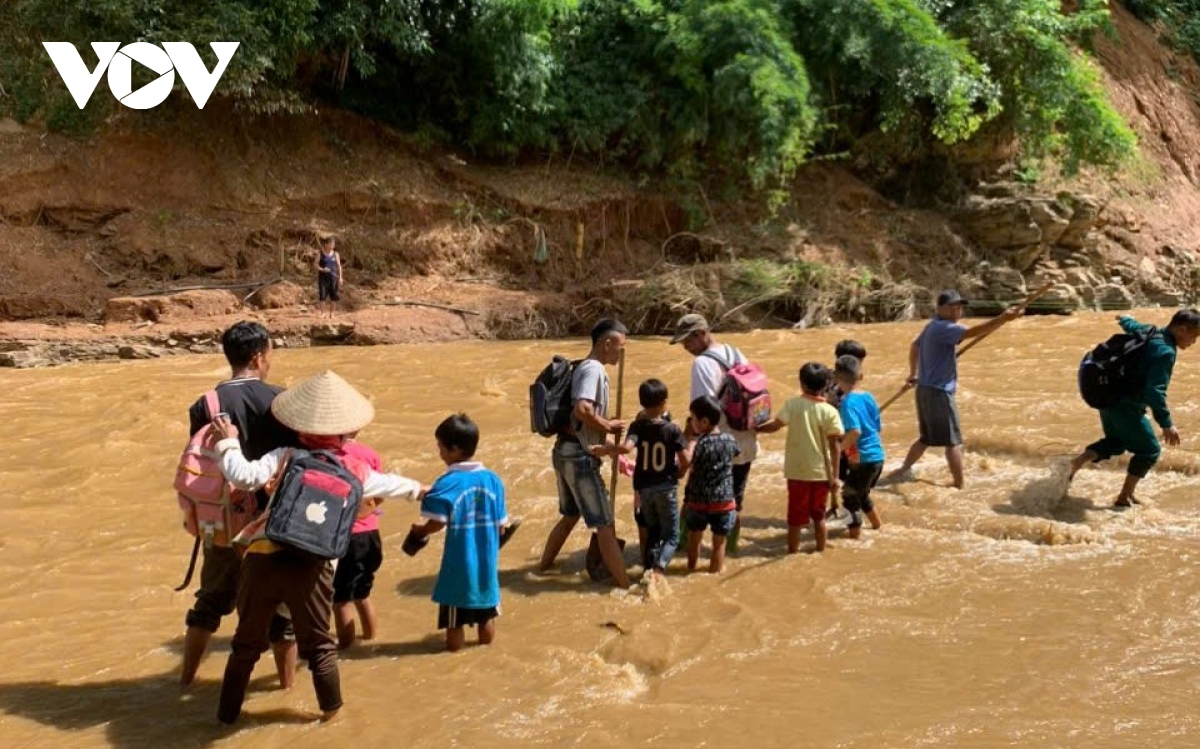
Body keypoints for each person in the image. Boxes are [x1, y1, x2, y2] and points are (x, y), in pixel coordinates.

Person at [210, 370, 424, 724]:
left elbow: (243, 475)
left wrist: (227, 440)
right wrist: (423, 489)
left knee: (245, 646)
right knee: (320, 648)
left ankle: (225, 717)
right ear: (348, 430)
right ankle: (331, 721)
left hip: (264, 557)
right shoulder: (354, 467)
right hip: (313, 567)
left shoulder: (285, 455)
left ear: (299, 425)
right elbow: (394, 484)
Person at [180, 321, 299, 688]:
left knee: (209, 604)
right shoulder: (281, 400)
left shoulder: (206, 404)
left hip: (222, 523)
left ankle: (185, 680)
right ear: (259, 356)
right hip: (270, 523)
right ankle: (286, 689)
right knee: (282, 613)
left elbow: (201, 462)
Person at [883, 290, 1023, 489]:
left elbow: (915, 347)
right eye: (952, 306)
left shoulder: (931, 326)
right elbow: (971, 332)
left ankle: (902, 471)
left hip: (924, 389)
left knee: (926, 438)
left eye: (959, 307)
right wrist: (1003, 319)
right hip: (939, 392)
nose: (957, 310)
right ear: (940, 309)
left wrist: (914, 373)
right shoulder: (944, 328)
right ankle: (959, 485)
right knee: (953, 442)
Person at [1069, 310, 1200, 507]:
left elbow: (1134, 326)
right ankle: (1124, 497)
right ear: (1182, 329)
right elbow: (1155, 391)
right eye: (1195, 336)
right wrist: (1166, 423)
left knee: (1117, 441)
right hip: (1125, 405)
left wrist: (1124, 319)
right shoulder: (1165, 352)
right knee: (1150, 450)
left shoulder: (1151, 330)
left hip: (1107, 394)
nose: (1194, 342)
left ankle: (1077, 463)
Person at [538, 319, 631, 588]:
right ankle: (624, 584)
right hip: (579, 455)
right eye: (620, 347)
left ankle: (543, 568)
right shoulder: (593, 369)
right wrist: (607, 425)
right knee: (604, 523)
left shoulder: (583, 366)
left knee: (570, 515)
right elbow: (582, 408)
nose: (621, 353)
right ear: (607, 343)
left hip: (564, 450)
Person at [409, 414, 510, 651]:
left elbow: (437, 523)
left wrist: (421, 530)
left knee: (454, 623)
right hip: (486, 563)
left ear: (453, 449)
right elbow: (502, 525)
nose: (439, 453)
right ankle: (486, 653)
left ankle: (454, 655)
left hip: (458, 567)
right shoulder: (493, 481)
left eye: (440, 447)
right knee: (486, 615)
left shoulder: (448, 482)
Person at [670, 314, 758, 551]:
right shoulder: (735, 352)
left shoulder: (702, 363)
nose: (686, 347)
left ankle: (681, 547)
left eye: (687, 341)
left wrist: (687, 441)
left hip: (714, 446)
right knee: (734, 501)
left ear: (701, 334)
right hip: (745, 440)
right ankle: (729, 550)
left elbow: (702, 412)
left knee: (694, 500)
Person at [756, 362, 843, 553]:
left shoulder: (792, 405)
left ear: (801, 383)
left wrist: (755, 429)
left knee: (795, 518)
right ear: (826, 385)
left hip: (797, 472)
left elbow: (775, 425)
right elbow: (835, 446)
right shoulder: (830, 411)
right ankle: (821, 551)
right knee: (819, 516)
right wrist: (835, 477)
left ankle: (793, 552)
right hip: (821, 473)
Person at [615, 379, 690, 579]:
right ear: (664, 403)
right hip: (666, 487)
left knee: (652, 533)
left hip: (644, 489)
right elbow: (686, 460)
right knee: (672, 537)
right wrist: (679, 474)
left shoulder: (637, 426)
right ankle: (658, 570)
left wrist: (607, 448)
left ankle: (648, 568)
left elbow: (626, 448)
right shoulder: (673, 429)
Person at [332, 436, 385, 649]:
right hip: (371, 534)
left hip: (345, 537)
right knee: (363, 594)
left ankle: (346, 646)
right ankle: (371, 638)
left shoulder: (328, 456)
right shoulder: (369, 453)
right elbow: (380, 492)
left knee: (341, 598)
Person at [681, 395, 740, 573]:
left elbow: (688, 463)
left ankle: (691, 569)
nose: (691, 422)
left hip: (698, 500)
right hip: (724, 501)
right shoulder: (730, 440)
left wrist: (690, 442)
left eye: (693, 419)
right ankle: (714, 573)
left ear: (704, 422)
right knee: (719, 543)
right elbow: (736, 454)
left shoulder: (699, 444)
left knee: (694, 538)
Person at [834, 355, 884, 538]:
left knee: (848, 497)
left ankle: (854, 536)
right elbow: (878, 427)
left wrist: (839, 449)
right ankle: (878, 526)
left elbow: (855, 432)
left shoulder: (847, 403)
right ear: (860, 376)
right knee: (861, 495)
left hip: (862, 459)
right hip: (877, 456)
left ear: (837, 379)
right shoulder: (868, 397)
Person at [822, 339, 866, 516]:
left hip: (831, 432)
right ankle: (848, 512)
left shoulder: (826, 377)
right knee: (842, 473)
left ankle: (834, 506)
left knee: (833, 471)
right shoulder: (841, 386)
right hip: (841, 434)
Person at [315, 235, 343, 318]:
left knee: (334, 295)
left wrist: (340, 277)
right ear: (326, 244)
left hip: (333, 278)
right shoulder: (320, 253)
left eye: (333, 244)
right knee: (322, 295)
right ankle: (323, 313)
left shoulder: (336, 254)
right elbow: (315, 264)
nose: (333, 245)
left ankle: (332, 313)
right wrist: (322, 269)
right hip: (323, 277)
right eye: (331, 243)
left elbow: (339, 266)